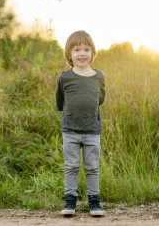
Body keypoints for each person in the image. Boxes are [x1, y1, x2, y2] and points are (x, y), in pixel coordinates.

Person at [55, 30, 106, 216]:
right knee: (71, 166)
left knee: (92, 167)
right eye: (76, 49)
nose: (82, 53)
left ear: (93, 52)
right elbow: (59, 102)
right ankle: (70, 202)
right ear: (69, 54)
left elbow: (100, 98)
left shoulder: (98, 76)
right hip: (70, 130)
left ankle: (95, 202)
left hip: (92, 130)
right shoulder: (64, 78)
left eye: (86, 49)